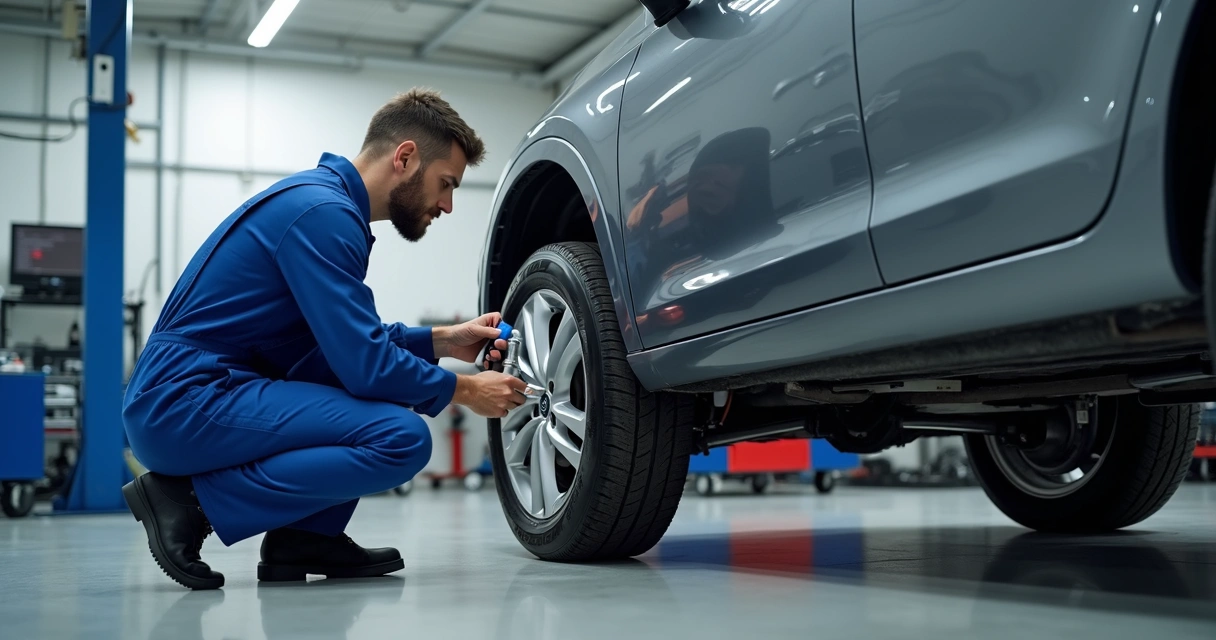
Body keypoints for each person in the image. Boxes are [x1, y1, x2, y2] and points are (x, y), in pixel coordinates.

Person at [121, 89, 527, 591]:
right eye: (446, 184)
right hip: (184, 400)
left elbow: (346, 343)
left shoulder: (321, 204)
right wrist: (466, 390)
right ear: (404, 157)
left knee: (355, 393)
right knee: (398, 438)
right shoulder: (323, 215)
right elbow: (366, 364)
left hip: (200, 392)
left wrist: (446, 339)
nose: (446, 205)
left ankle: (306, 538)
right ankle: (187, 503)